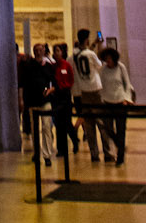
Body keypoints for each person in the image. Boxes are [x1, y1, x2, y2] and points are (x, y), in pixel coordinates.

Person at [18, 43, 56, 165]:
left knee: (46, 127)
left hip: (45, 101)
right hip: (32, 101)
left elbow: (54, 83)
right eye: (36, 50)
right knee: (35, 129)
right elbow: (22, 84)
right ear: (34, 52)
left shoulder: (48, 66)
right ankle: (36, 152)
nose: (39, 52)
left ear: (44, 51)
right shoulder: (28, 65)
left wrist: (50, 90)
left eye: (41, 50)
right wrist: (21, 99)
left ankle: (47, 155)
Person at [97, 45, 135, 165]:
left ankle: (120, 157)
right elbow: (101, 86)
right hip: (107, 102)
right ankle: (119, 144)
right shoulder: (103, 70)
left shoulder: (121, 67)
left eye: (110, 58)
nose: (108, 61)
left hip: (120, 102)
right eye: (106, 58)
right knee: (108, 128)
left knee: (121, 129)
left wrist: (126, 99)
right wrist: (102, 99)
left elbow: (127, 84)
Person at [72, 28, 105, 159]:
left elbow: (84, 52)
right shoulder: (91, 55)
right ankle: (108, 152)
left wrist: (93, 44)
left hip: (83, 91)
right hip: (95, 90)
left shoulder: (75, 54)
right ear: (86, 40)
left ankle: (94, 154)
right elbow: (99, 64)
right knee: (101, 122)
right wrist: (100, 45)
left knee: (89, 124)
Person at [50, 44, 76, 163]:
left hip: (65, 96)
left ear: (62, 52)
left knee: (67, 123)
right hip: (56, 97)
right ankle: (61, 149)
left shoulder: (67, 65)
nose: (56, 53)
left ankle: (74, 141)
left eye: (58, 51)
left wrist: (63, 87)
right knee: (58, 124)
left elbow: (71, 80)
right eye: (54, 51)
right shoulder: (53, 67)